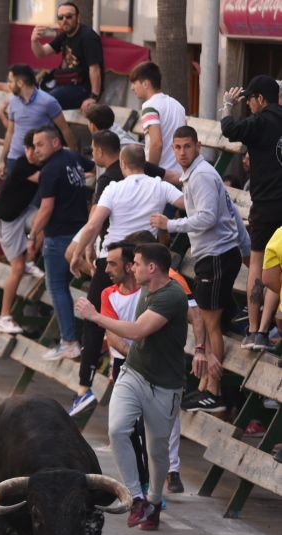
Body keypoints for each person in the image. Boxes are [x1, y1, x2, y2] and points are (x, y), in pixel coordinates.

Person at [75, 242, 188, 531]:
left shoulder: (171, 295)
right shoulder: (145, 289)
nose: (132, 268)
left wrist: (95, 316)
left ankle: (153, 500)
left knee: (157, 449)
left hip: (165, 385)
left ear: (152, 268)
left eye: (136, 263)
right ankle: (137, 497)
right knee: (117, 429)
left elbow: (138, 331)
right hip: (134, 373)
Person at [65, 140, 179, 414]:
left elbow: (94, 224)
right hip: (144, 261)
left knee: (95, 319)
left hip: (114, 258)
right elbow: (188, 201)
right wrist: (172, 224)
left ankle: (84, 387)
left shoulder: (114, 187)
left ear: (123, 164)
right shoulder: (159, 185)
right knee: (144, 318)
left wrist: (79, 252)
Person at [150, 127, 248, 396]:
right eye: (178, 147)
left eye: (187, 146)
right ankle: (207, 383)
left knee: (211, 323)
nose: (183, 152)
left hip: (217, 256)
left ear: (198, 146)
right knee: (212, 321)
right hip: (214, 256)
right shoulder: (194, 174)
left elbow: (208, 218)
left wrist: (170, 223)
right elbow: (229, 210)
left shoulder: (202, 174)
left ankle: (213, 388)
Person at [219, 75, 282, 351]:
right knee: (278, 268)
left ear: (260, 99)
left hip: (266, 206)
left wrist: (228, 104)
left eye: (251, 100)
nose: (250, 106)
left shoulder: (261, 121)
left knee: (258, 264)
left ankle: (255, 329)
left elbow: (229, 128)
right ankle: (267, 328)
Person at [27, 125, 93, 364]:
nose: (36, 150)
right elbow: (93, 168)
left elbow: (46, 209)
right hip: (80, 233)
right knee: (77, 284)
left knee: (57, 287)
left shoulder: (50, 170)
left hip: (58, 237)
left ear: (56, 143)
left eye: (40, 144)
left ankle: (69, 342)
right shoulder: (72, 158)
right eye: (34, 146)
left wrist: (32, 235)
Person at [0, 131, 43, 337]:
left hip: (23, 211)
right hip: (6, 220)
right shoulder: (22, 164)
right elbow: (47, 178)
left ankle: (30, 260)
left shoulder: (44, 161)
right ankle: (3, 316)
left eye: (36, 149)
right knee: (17, 268)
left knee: (44, 222)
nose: (32, 153)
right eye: (29, 149)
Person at [29, 0, 103, 110]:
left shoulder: (88, 37)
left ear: (78, 18)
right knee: (31, 94)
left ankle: (60, 128)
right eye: (61, 17)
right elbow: (41, 53)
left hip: (83, 88)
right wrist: (34, 40)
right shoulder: (64, 35)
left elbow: (95, 69)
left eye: (69, 16)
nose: (64, 20)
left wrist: (94, 97)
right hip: (65, 83)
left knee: (47, 101)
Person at [0, 65, 70, 175]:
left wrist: (74, 157)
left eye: (11, 81)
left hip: (38, 160)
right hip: (15, 158)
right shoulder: (13, 101)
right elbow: (10, 132)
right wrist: (2, 160)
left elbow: (65, 129)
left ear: (20, 83)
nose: (9, 84)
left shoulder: (48, 101)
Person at [130, 62, 187, 181]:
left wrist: (149, 174)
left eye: (135, 83)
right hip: (180, 175)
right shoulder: (177, 105)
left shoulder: (149, 106)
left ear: (145, 84)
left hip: (162, 177)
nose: (132, 88)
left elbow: (156, 143)